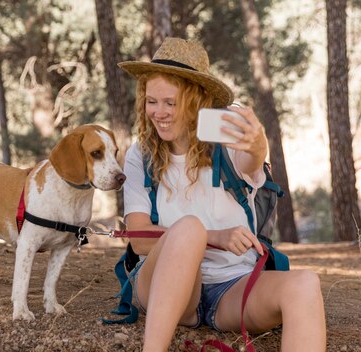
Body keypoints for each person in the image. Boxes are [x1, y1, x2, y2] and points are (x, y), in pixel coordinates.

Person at [118, 37, 326, 351]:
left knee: (305, 283)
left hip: (232, 287)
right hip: (165, 287)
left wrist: (257, 146)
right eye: (151, 101)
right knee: (189, 229)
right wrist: (212, 236)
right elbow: (139, 238)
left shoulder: (226, 139)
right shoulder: (140, 155)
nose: (158, 113)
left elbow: (251, 161)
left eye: (170, 103)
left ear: (194, 101)